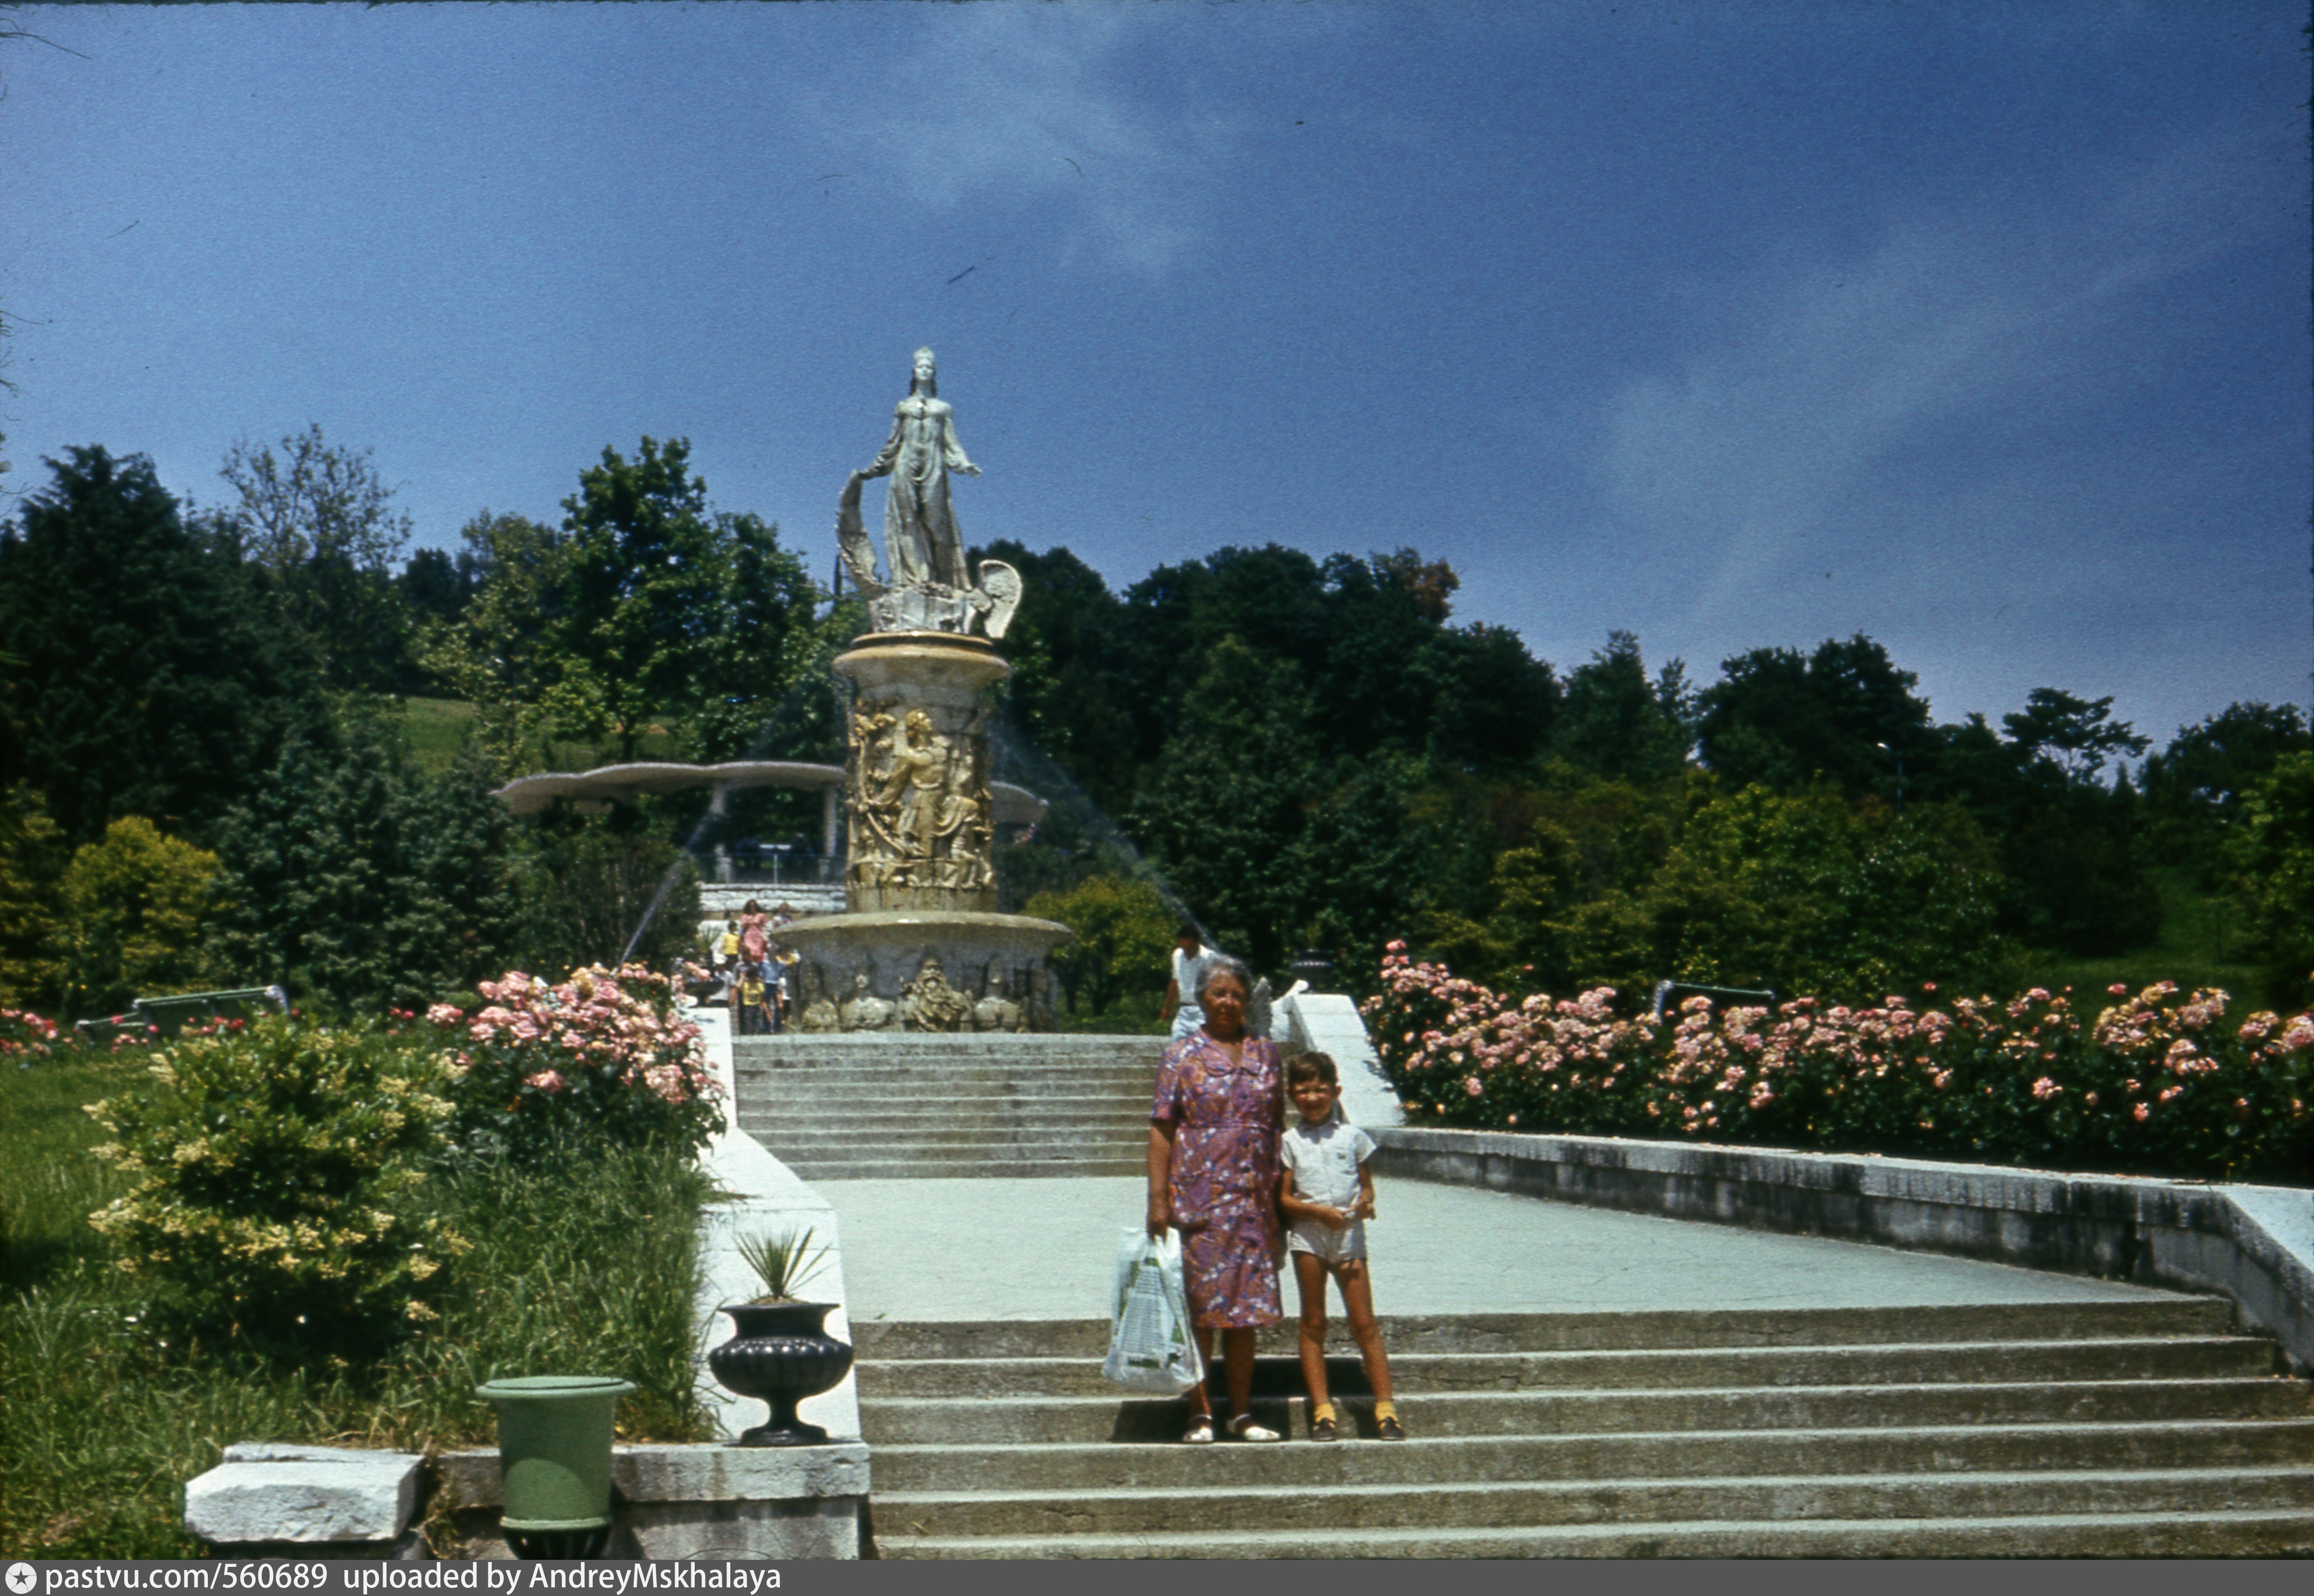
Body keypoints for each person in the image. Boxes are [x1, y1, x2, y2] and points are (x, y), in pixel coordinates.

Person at [1147, 956, 1284, 1444]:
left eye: (1236, 994)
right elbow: (1162, 1126)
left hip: (1253, 1200)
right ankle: (1200, 1411)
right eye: (1218, 993)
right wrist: (1157, 1199)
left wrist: (1282, 1199)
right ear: (1202, 998)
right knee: (1202, 1310)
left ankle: (1241, 1412)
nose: (1227, 1001)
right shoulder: (1180, 1054)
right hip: (1199, 1197)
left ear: (1247, 1000)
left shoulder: (1266, 1054)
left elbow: (1278, 1127)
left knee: (1245, 1312)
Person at [1278, 1051, 1404, 1442]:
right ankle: (1322, 1411)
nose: (1312, 1097)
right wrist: (1315, 1211)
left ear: (1336, 1091)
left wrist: (1366, 1200)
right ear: (1290, 1095)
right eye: (1303, 1090)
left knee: (1363, 1321)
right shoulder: (1289, 1141)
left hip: (1348, 1234)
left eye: (1320, 1089)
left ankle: (1385, 1409)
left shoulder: (1352, 1137)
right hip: (1309, 1236)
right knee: (1313, 1321)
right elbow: (1283, 1198)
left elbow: (1366, 1185)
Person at [854, 347, 979, 591]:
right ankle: (916, 580)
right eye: (921, 366)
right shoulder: (903, 407)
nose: (925, 370)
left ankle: (944, 579)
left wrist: (964, 464)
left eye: (929, 367)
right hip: (905, 464)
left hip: (934, 465)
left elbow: (952, 443)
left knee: (937, 523)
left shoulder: (943, 408)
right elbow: (893, 442)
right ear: (914, 371)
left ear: (934, 373)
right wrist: (873, 469)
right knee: (908, 521)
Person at [1161, 926, 1219, 1042]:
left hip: (1203, 1011)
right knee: (1177, 1045)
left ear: (1197, 943)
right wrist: (1167, 1008)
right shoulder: (1177, 955)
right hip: (1184, 1010)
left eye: (1190, 947)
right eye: (1184, 947)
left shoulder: (1210, 957)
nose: (1187, 950)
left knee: (1201, 1048)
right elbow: (1175, 982)